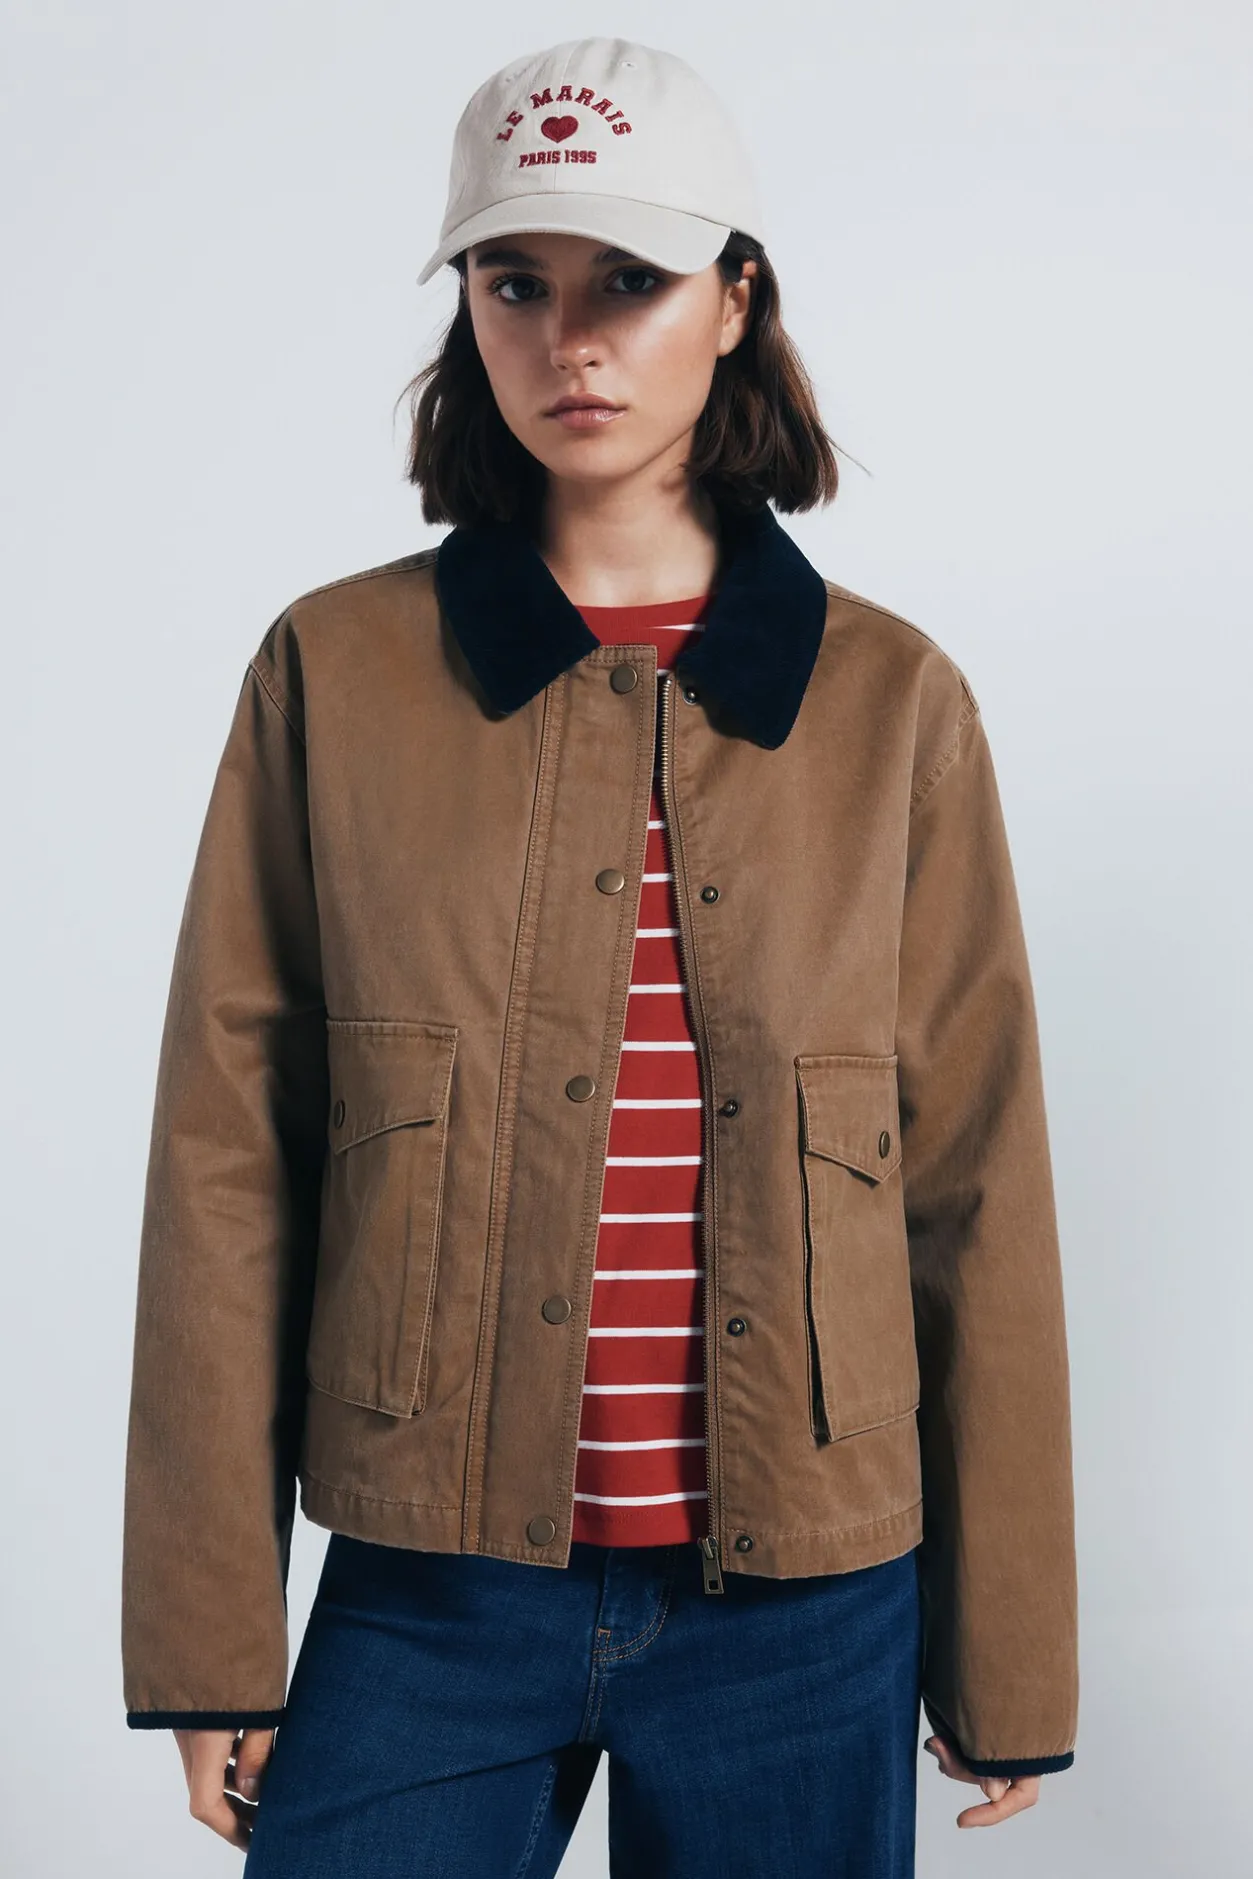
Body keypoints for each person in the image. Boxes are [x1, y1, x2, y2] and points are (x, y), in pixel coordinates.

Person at [121, 34, 1079, 1877]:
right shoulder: (335, 674)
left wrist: (1009, 1639)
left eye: (628, 280)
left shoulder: (891, 704)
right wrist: (209, 1628)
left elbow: (975, 1178)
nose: (570, 341)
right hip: (430, 1583)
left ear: (736, 301)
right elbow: (227, 1155)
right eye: (515, 282)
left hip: (806, 1608)